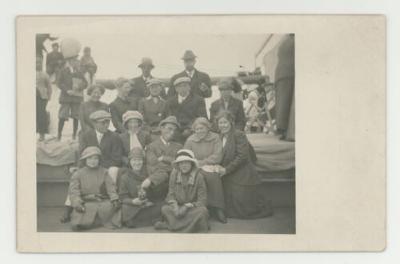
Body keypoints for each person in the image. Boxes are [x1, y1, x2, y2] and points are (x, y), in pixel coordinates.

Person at [215, 111, 273, 219]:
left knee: (242, 206)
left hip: (242, 170)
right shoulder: (219, 137)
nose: (222, 125)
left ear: (231, 122)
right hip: (228, 170)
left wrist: (226, 170)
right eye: (220, 123)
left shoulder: (239, 134)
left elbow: (242, 157)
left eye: (225, 122)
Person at [154, 150, 209, 233]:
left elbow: (202, 200)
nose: (184, 165)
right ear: (178, 165)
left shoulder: (199, 177)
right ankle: (190, 225)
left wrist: (187, 206)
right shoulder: (174, 174)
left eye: (187, 163)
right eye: (181, 163)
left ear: (192, 164)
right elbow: (170, 194)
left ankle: (171, 226)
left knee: (202, 211)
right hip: (178, 207)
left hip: (191, 209)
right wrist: (176, 208)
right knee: (165, 209)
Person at [184, 117, 226, 223]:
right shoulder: (190, 140)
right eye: (197, 129)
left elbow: (218, 156)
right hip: (194, 166)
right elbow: (186, 156)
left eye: (202, 128)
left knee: (213, 177)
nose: (199, 131)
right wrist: (194, 164)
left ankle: (218, 208)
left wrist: (202, 162)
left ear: (207, 128)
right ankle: (200, 209)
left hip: (211, 165)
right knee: (198, 177)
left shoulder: (215, 138)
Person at [69, 146, 121, 231]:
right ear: (85, 160)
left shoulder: (104, 172)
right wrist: (77, 203)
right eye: (89, 158)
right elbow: (74, 192)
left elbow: (110, 187)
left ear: (99, 160)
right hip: (86, 202)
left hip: (101, 201)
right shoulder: (78, 174)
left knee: (111, 208)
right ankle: (92, 221)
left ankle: (98, 221)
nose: (92, 161)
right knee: (77, 223)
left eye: (95, 158)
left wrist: (114, 198)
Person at [117, 147, 163, 228]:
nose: (137, 163)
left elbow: (163, 173)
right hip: (134, 205)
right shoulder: (125, 177)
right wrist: (132, 201)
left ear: (143, 161)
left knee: (162, 205)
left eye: (139, 160)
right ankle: (152, 220)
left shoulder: (148, 170)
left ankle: (147, 219)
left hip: (149, 203)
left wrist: (150, 179)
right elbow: (122, 196)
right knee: (125, 208)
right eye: (134, 160)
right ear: (130, 162)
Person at [145, 116, 182, 200]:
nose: (172, 132)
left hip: (176, 182)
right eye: (169, 129)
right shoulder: (152, 146)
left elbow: (180, 165)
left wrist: (163, 158)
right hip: (158, 183)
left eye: (174, 130)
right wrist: (172, 163)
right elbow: (152, 166)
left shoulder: (179, 147)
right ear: (161, 128)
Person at [164, 77, 207, 143]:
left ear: (189, 87)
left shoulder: (198, 100)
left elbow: (202, 118)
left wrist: (190, 128)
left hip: (193, 131)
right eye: (179, 86)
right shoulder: (170, 102)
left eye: (185, 86)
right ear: (176, 89)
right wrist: (173, 130)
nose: (182, 88)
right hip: (175, 132)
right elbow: (167, 118)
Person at [56, 55, 87, 141]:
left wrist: (79, 86)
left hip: (76, 98)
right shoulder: (63, 71)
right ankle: (59, 135)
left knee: (76, 117)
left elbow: (85, 83)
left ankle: (74, 135)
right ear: (69, 62)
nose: (76, 63)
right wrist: (67, 90)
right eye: (74, 61)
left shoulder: (79, 72)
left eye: (76, 61)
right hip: (66, 97)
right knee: (62, 116)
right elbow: (59, 83)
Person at [274, 34, 295, 141]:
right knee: (286, 103)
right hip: (289, 73)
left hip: (281, 74)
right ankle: (285, 130)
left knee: (282, 103)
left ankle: (282, 129)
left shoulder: (284, 41)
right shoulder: (293, 41)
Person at [36, 56, 52, 141]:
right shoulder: (29, 73)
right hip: (31, 97)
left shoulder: (45, 74)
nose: (38, 64)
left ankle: (42, 135)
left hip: (42, 97)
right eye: (36, 62)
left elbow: (49, 86)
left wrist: (49, 96)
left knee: (41, 115)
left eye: (39, 63)